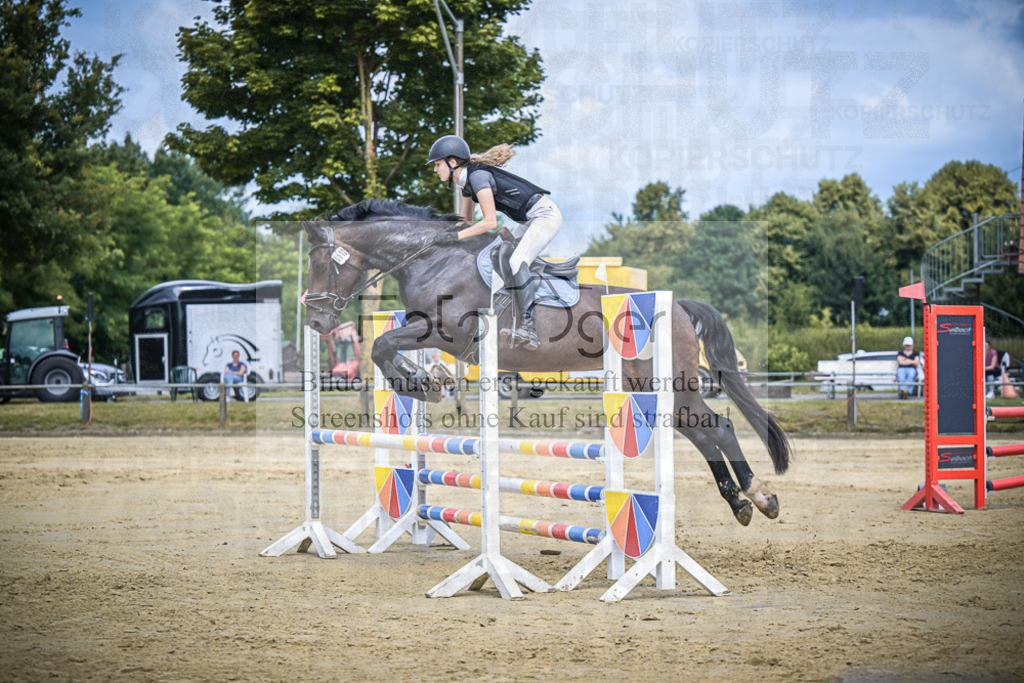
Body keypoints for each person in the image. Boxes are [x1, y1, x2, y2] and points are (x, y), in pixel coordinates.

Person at [426, 134, 563, 351]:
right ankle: (509, 315)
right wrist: (437, 236)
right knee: (497, 256)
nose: (435, 170)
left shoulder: (478, 177)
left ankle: (529, 328)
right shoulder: (467, 184)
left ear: (452, 163)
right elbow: (466, 223)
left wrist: (455, 237)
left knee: (517, 261)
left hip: (545, 216)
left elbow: (489, 222)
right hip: (528, 220)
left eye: (437, 164)